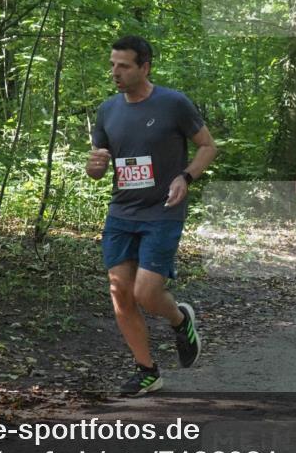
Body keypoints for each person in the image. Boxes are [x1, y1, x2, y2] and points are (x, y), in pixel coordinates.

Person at [86, 35, 218, 396]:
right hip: (121, 212)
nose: (115, 72)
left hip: (163, 210)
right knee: (120, 294)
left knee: (146, 292)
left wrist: (185, 176)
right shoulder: (107, 110)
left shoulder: (173, 103)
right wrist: (94, 165)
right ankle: (147, 370)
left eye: (124, 65)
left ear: (144, 67)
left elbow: (208, 146)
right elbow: (98, 167)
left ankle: (180, 320)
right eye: (112, 64)